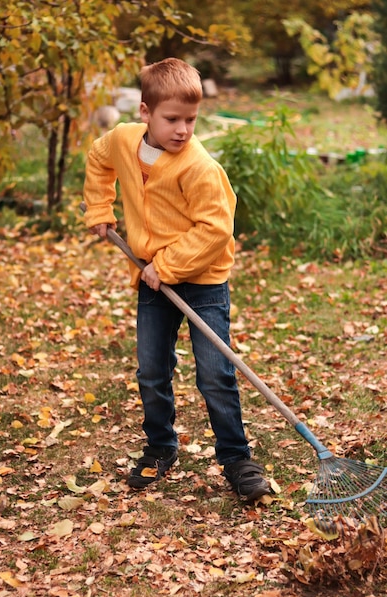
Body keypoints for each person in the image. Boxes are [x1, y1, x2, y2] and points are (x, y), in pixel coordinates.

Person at [83, 57, 270, 502]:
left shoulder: (199, 167)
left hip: (202, 281)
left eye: (191, 119)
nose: (183, 130)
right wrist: (99, 208)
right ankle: (161, 447)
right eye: (172, 119)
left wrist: (164, 266)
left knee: (214, 373)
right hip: (153, 284)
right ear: (145, 113)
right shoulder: (125, 140)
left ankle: (236, 457)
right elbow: (97, 156)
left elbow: (215, 230)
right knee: (151, 370)